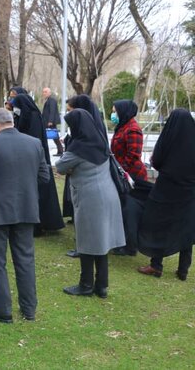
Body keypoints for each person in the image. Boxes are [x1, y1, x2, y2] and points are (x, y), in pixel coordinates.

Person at [0, 108, 49, 323]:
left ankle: (3, 311)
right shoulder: (34, 143)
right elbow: (44, 176)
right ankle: (29, 309)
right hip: (26, 208)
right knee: (25, 260)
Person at [56, 109, 125, 299]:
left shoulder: (79, 147)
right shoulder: (100, 141)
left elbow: (60, 167)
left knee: (86, 241)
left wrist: (72, 168)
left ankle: (86, 285)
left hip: (90, 197)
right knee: (101, 241)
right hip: (108, 193)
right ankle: (101, 285)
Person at [137, 109, 195, 280]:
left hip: (166, 189)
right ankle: (183, 269)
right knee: (186, 227)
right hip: (190, 191)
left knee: (159, 224)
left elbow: (157, 161)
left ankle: (156, 265)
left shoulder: (169, 138)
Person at [10, 94, 65, 234]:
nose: (15, 109)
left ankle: (38, 226)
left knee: (36, 194)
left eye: (16, 106)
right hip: (27, 161)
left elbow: (33, 141)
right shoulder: (25, 115)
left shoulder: (33, 116)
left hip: (34, 162)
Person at [63, 94, 108, 258]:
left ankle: (85, 248)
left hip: (86, 180)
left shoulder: (87, 132)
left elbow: (63, 165)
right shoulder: (92, 126)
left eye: (70, 110)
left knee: (86, 214)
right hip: (87, 178)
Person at [109, 99, 148, 256]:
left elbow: (133, 155)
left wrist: (120, 170)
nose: (113, 114)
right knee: (123, 210)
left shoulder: (133, 130)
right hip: (123, 175)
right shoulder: (123, 126)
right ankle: (123, 241)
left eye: (115, 111)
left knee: (129, 211)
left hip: (133, 177)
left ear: (123, 111)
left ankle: (130, 246)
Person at [41, 87, 64, 156]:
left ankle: (60, 151)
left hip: (50, 122)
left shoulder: (52, 100)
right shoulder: (49, 100)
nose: (44, 93)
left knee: (55, 137)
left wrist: (50, 121)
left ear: (49, 93)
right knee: (55, 137)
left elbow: (52, 111)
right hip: (47, 122)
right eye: (43, 92)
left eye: (45, 92)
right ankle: (60, 151)